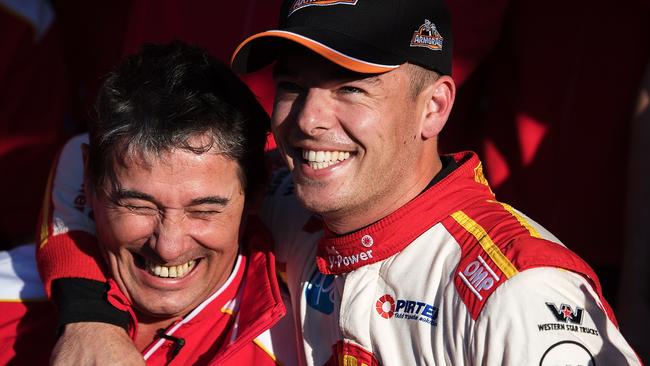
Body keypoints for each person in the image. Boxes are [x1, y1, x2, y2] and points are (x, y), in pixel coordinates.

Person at [37, 0, 642, 364]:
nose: (308, 120)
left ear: (433, 107)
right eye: (295, 85)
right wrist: (91, 317)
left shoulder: (517, 293)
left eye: (351, 88)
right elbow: (87, 162)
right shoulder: (282, 192)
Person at [2, 40, 298, 365]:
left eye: (203, 211)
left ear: (257, 192)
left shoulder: (303, 340)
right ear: (88, 179)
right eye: (139, 205)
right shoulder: (8, 305)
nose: (168, 247)